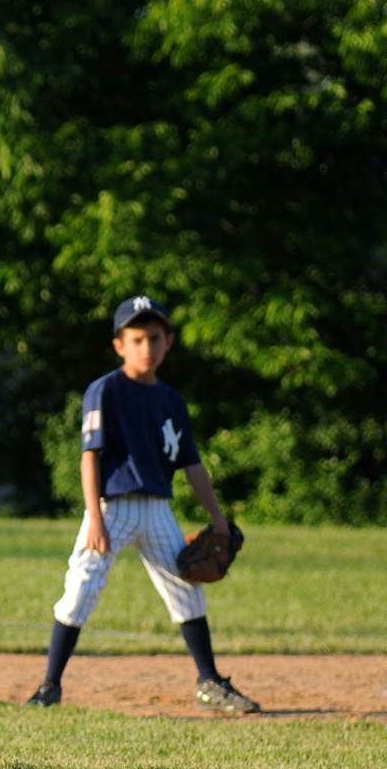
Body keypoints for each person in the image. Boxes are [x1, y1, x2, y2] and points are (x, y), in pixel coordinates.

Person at [23, 295, 260, 713]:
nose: (146, 348)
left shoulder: (171, 400)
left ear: (168, 342)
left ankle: (210, 682)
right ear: (120, 345)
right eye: (136, 339)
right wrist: (95, 517)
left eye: (154, 338)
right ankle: (49, 687)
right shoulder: (106, 391)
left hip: (157, 510)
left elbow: (193, 465)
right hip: (113, 508)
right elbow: (89, 456)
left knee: (187, 590)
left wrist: (218, 519)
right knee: (81, 590)